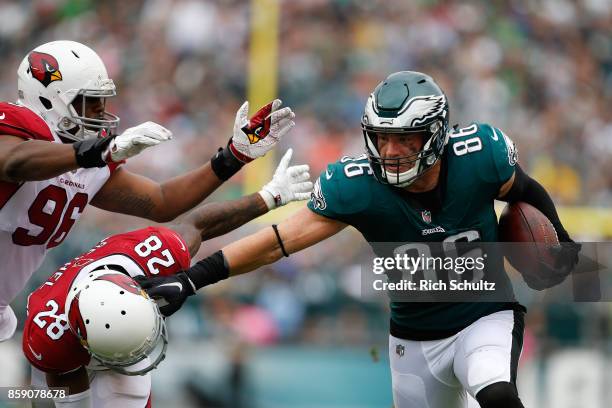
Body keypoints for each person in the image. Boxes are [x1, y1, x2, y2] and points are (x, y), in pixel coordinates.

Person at [141, 71, 582, 408]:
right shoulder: (357, 186)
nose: (390, 152)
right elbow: (279, 240)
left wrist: (558, 239)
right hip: (413, 339)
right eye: (382, 138)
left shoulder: (478, 157)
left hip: (485, 317)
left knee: (499, 396)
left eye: (404, 139)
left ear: (436, 134)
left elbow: (524, 190)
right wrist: (195, 277)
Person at [0, 40, 295, 341]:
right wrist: (102, 151)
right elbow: (13, 162)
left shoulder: (89, 159)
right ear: (49, 99)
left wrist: (232, 158)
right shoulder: (17, 126)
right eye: (89, 101)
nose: (100, 113)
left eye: (102, 102)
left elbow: (162, 202)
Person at [22, 148, 312, 407]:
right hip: (65, 354)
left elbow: (198, 224)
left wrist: (268, 197)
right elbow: (62, 391)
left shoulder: (150, 256)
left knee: (129, 394)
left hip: (98, 330)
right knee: (39, 399)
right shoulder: (48, 336)